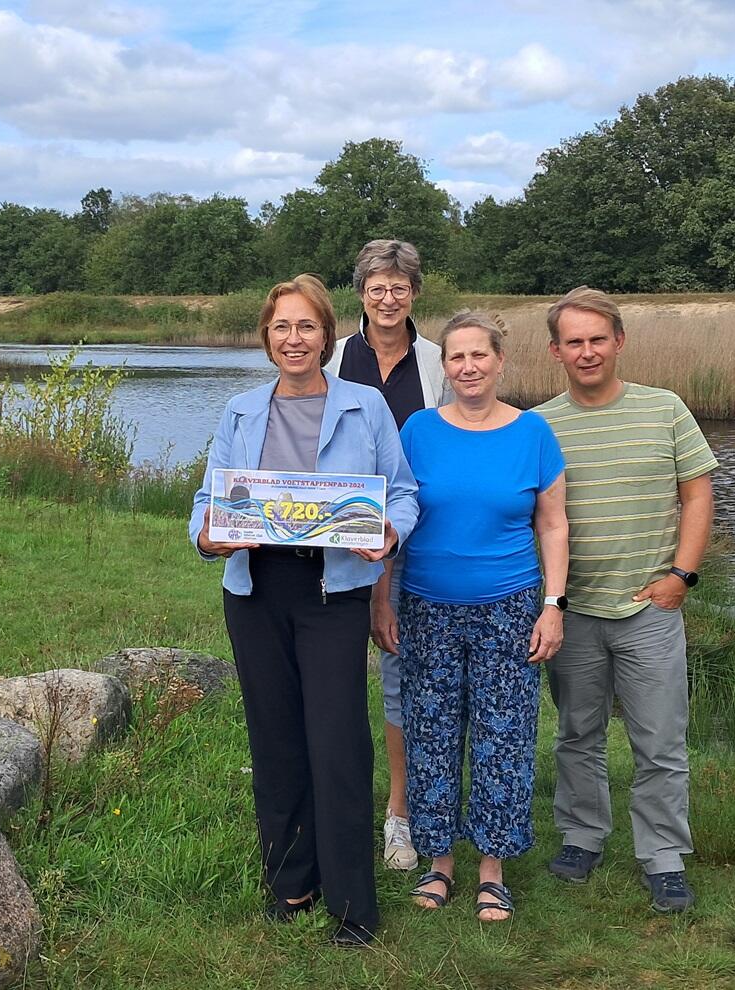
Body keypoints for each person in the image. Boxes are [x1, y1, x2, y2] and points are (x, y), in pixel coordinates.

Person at [189, 273, 419, 947]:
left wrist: (388, 532)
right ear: (267, 337)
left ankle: (353, 904)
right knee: (276, 740)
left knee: (338, 741)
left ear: (327, 336)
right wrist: (209, 535)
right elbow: (209, 504)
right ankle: (293, 880)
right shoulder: (239, 410)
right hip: (256, 591)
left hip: (333, 594)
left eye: (307, 327)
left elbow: (401, 493)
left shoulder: (365, 406)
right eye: (282, 327)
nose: (295, 339)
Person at [532, 287, 716, 914]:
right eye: (574, 342)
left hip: (649, 607)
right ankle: (583, 836)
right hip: (573, 609)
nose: (587, 352)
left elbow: (697, 495)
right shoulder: (539, 426)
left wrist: (682, 577)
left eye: (598, 339)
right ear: (556, 351)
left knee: (660, 740)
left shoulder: (664, 410)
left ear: (620, 342)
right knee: (577, 732)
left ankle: (662, 855)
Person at [383, 312, 567, 923]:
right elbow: (393, 518)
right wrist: (383, 598)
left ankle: (493, 869)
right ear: (446, 367)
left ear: (499, 361)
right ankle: (439, 864)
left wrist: (553, 606)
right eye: (456, 357)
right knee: (431, 733)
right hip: (427, 606)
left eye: (479, 356)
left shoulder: (533, 433)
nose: (467, 367)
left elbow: (552, 524)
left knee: (503, 738)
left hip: (510, 605)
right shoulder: (418, 430)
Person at [323, 238, 450, 873]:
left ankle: (403, 812)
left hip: (422, 538)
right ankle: (340, 803)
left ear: (414, 293)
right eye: (377, 287)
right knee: (339, 675)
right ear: (361, 293)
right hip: (342, 544)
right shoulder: (334, 359)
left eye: (399, 286)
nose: (388, 297)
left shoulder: (436, 362)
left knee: (407, 673)